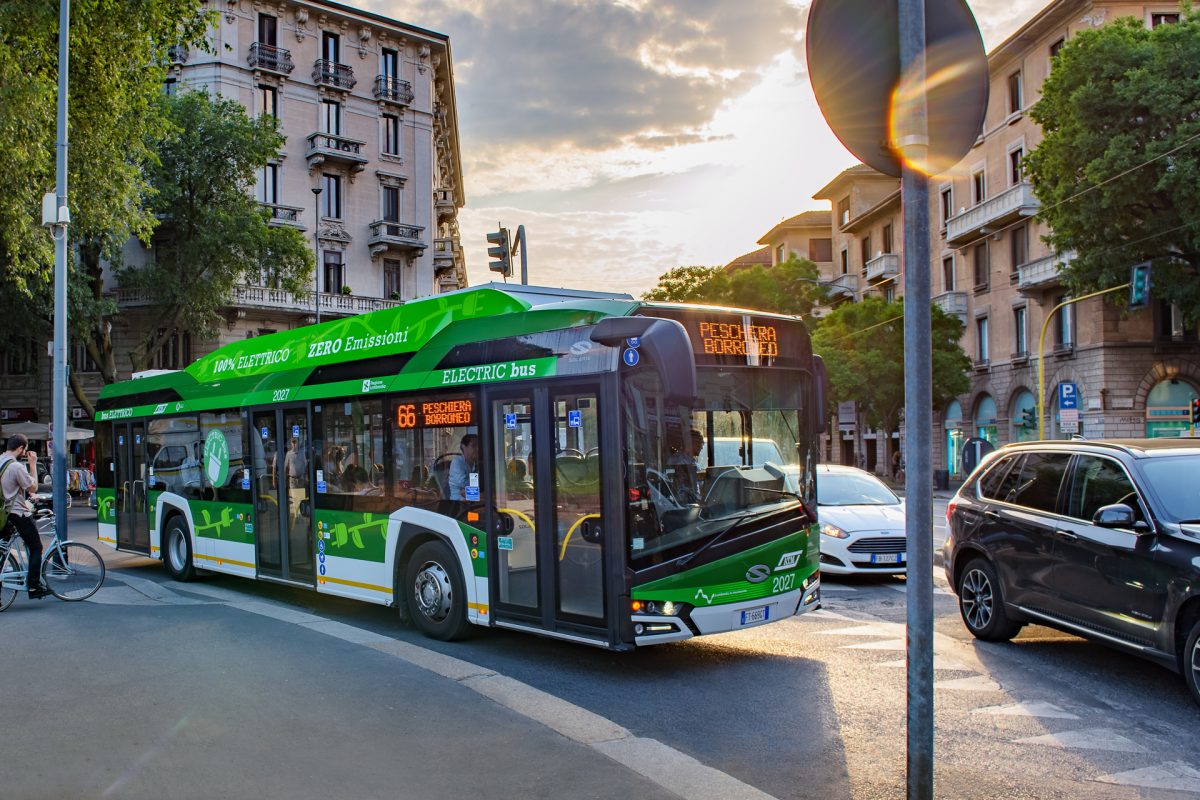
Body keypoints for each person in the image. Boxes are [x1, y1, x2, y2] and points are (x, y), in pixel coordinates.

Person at [1, 434, 49, 599]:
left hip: (2, 515)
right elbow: (33, 487)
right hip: (17, 513)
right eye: (25, 449)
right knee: (36, 547)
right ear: (20, 448)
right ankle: (34, 587)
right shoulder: (16, 467)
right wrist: (33, 464)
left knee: (2, 551)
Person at [447, 433, 479, 501]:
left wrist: (468, 490)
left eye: (478, 446)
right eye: (473, 445)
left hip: (473, 501)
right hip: (458, 504)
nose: (477, 449)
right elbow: (463, 483)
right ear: (464, 447)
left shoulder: (477, 464)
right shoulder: (457, 462)